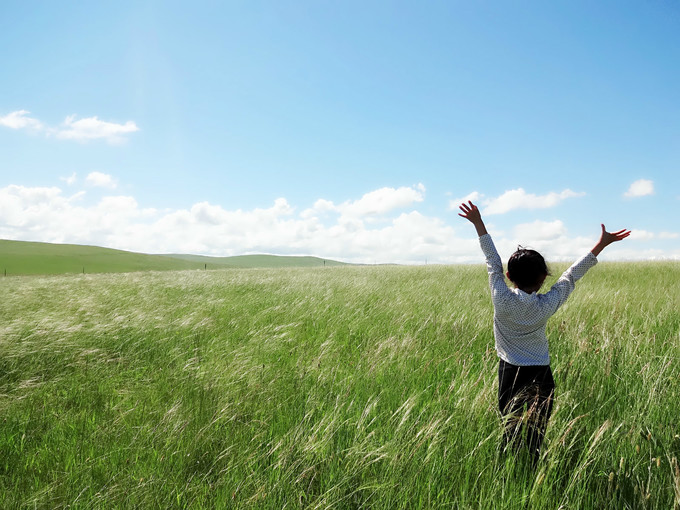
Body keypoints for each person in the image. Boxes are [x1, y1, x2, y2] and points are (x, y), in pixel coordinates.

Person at [458, 201, 630, 463]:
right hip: (541, 373)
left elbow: (491, 261)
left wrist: (478, 223)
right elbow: (570, 276)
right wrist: (601, 245)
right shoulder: (547, 305)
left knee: (510, 430)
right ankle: (534, 468)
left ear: (508, 275)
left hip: (510, 372)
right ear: (542, 279)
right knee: (537, 433)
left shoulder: (501, 299)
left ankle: (509, 474)